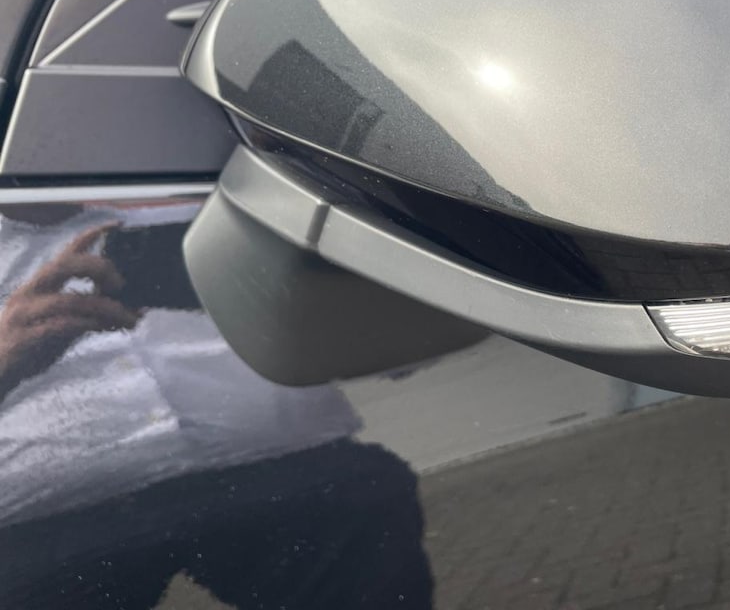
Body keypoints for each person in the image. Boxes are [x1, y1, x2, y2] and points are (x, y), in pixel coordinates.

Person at [0, 201, 434, 609]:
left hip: (289, 472)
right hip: (48, 518)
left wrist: (342, 306)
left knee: (362, 508)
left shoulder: (219, 196)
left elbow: (394, 346)